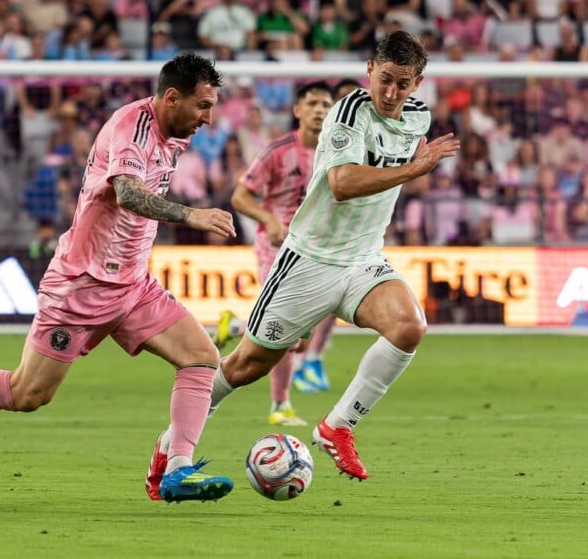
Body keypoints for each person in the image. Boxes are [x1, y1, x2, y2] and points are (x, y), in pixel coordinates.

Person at [0, 53, 237, 505]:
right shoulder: (132, 128)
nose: (208, 119)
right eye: (203, 106)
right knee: (28, 393)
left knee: (201, 357)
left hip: (134, 286)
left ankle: (176, 468)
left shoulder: (173, 135)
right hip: (82, 285)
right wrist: (190, 215)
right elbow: (127, 193)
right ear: (172, 98)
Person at [152, 31, 460, 487]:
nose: (392, 92)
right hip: (309, 261)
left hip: (362, 258)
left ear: (418, 84)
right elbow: (341, 184)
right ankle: (167, 449)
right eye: (385, 79)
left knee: (409, 327)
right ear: (370, 71)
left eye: (403, 84)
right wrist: (414, 169)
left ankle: (337, 426)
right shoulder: (348, 113)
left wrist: (411, 166)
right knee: (244, 367)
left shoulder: (418, 118)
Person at [212, 81, 335, 428]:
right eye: (312, 103)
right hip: (276, 247)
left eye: (326, 104)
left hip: (315, 250)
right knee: (287, 332)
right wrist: (268, 218)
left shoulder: (336, 152)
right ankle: (280, 405)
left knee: (300, 336)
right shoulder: (277, 151)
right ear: (297, 110)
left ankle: (235, 325)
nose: (319, 110)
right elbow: (240, 197)